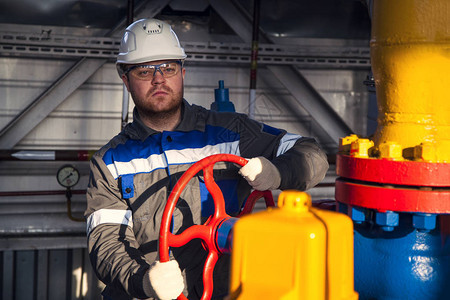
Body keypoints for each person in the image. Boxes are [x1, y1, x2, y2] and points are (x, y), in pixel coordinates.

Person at [85, 18, 329, 300]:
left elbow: (312, 154)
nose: (159, 79)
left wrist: (278, 172)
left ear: (183, 73)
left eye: (168, 68)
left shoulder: (232, 132)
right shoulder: (110, 161)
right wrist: (144, 281)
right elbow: (106, 243)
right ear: (125, 79)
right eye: (143, 71)